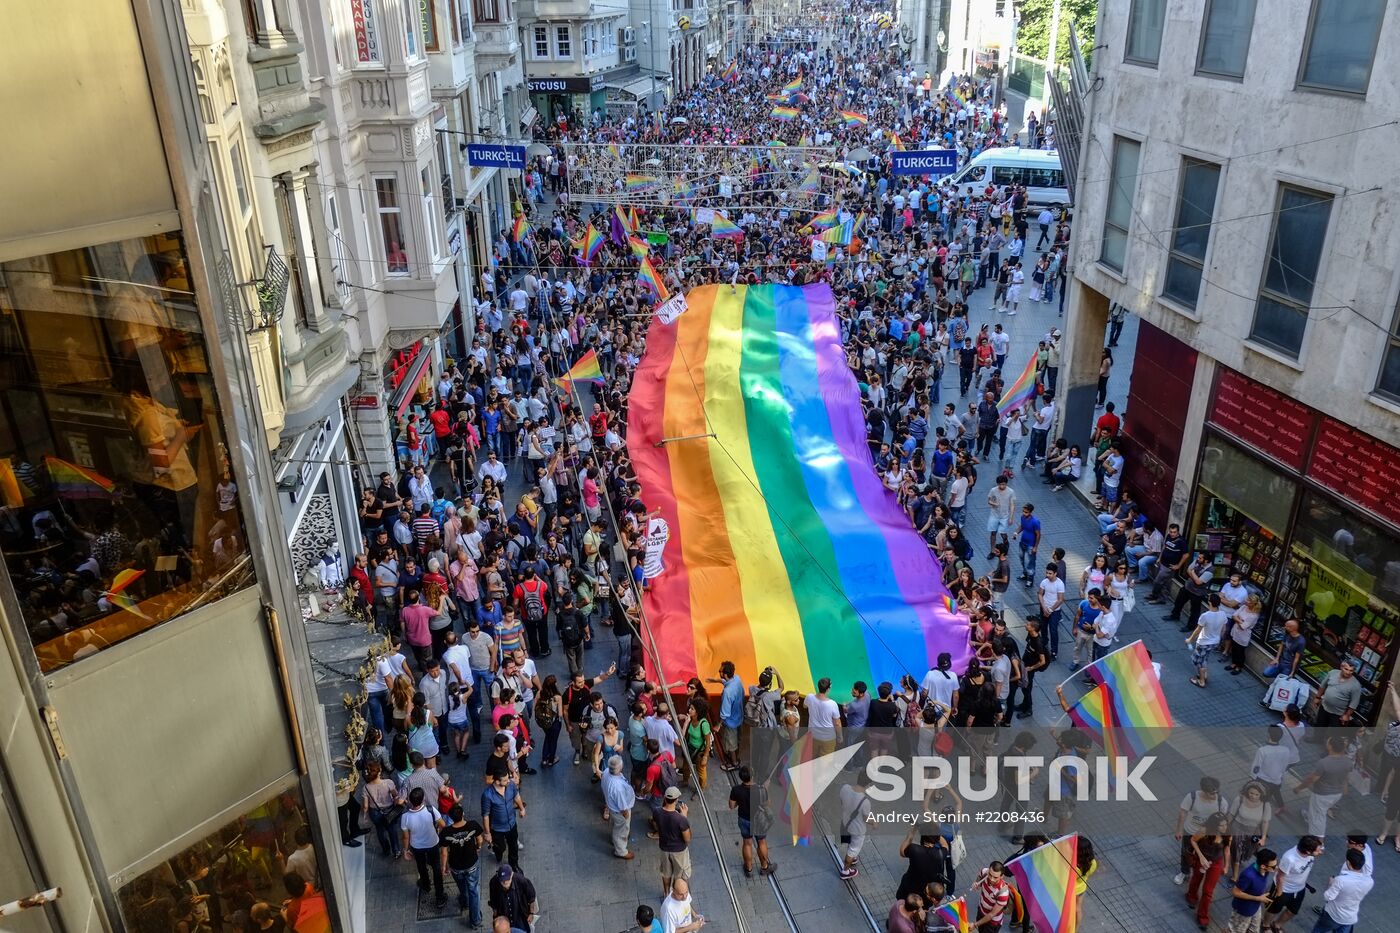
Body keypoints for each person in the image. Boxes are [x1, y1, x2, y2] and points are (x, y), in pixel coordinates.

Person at [1174, 777, 1229, 886]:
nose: (1215, 795)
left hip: (1209, 835)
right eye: (1212, 793)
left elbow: (1223, 819)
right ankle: (1184, 872)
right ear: (1204, 790)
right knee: (1186, 853)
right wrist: (1179, 830)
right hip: (1190, 830)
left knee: (1206, 854)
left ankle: (1200, 872)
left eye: (1217, 792)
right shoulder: (1192, 797)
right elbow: (1182, 813)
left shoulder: (1221, 802)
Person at [1294, 736, 1351, 837]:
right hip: (1337, 793)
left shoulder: (1324, 763)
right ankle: (1310, 815)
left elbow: (1312, 779)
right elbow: (1346, 777)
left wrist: (1299, 788)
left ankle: (1318, 841)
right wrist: (1345, 789)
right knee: (1320, 810)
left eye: (1328, 742)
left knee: (1318, 818)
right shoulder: (1347, 761)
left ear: (1330, 747)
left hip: (1322, 795)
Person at [439, 803, 485, 927]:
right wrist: (478, 847)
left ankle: (464, 902)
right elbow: (480, 839)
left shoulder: (446, 832)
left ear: (451, 817)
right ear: (463, 814)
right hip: (471, 864)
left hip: (456, 866)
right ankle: (475, 920)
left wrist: (443, 867)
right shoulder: (472, 825)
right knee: (473, 891)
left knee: (461, 886)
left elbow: (444, 852)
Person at [400, 787, 446, 906]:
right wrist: (439, 834)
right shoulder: (431, 810)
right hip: (432, 843)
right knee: (436, 868)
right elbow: (442, 824)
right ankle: (440, 896)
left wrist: (405, 850)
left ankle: (425, 885)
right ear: (423, 799)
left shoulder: (405, 816)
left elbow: (405, 837)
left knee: (421, 866)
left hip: (417, 846)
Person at [1265, 835, 1322, 931]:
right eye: (1318, 850)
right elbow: (1280, 876)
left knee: (1292, 911)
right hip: (1284, 889)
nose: (1320, 852)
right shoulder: (1289, 858)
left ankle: (1277, 924)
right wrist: (1280, 894)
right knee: (1273, 910)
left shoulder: (1308, 854)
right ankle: (1265, 925)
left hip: (1299, 888)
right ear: (1308, 851)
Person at [1185, 812, 1232, 930]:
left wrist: (1226, 866)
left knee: (1208, 891)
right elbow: (1193, 840)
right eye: (1221, 825)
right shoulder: (1204, 831)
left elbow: (1227, 850)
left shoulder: (1227, 834)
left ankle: (1202, 917)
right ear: (1214, 826)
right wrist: (1200, 856)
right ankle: (1191, 896)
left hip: (1216, 863)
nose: (1224, 827)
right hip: (1202, 860)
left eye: (1226, 824)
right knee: (1196, 878)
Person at [1311, 848, 1373, 933]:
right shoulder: (1369, 881)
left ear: (1348, 863)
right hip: (1350, 918)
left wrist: (1330, 884)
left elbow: (1328, 897)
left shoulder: (1341, 880)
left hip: (1333, 915)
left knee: (1318, 930)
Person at [729, 764, 775, 877]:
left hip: (744, 819)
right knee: (761, 842)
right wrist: (765, 789)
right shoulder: (761, 789)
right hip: (759, 820)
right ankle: (764, 867)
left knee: (747, 843)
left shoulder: (736, 790)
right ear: (752, 776)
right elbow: (767, 804)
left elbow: (731, 806)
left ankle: (748, 869)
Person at [1227, 847, 1278, 933]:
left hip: (1255, 907)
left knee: (1254, 930)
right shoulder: (1248, 875)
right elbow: (1235, 892)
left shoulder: (1265, 870)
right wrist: (1258, 898)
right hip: (1243, 911)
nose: (1276, 868)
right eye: (1273, 866)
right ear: (1263, 866)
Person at [481, 773, 525, 869]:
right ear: (497, 781)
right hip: (497, 828)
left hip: (511, 824)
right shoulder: (487, 795)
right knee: (500, 847)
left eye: (507, 779)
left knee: (513, 846)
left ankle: (514, 865)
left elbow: (516, 796)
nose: (508, 781)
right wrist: (487, 833)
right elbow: (485, 816)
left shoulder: (511, 786)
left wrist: (522, 808)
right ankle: (498, 851)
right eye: (505, 780)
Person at [1187, 594, 1229, 689]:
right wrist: (1219, 639)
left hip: (1204, 642)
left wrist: (1190, 639)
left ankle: (1201, 681)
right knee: (1205, 658)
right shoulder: (1223, 614)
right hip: (1215, 642)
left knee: (1199, 661)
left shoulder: (1205, 616)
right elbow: (1224, 629)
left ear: (1209, 602)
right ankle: (1204, 675)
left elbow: (1198, 630)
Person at [656, 785, 693, 896]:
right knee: (680, 875)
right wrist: (684, 817)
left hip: (664, 848)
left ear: (664, 798)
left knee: (666, 873)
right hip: (679, 852)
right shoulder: (681, 819)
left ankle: (666, 893)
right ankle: (679, 894)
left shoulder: (657, 812)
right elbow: (688, 838)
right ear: (676, 800)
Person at [602, 754, 638, 860]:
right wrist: (626, 815)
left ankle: (616, 840)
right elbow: (622, 807)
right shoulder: (617, 788)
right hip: (619, 811)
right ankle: (621, 851)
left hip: (611, 806)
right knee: (622, 829)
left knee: (616, 826)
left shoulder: (605, 773)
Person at [838, 773, 872, 879]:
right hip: (857, 830)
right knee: (853, 849)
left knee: (850, 844)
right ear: (868, 785)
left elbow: (842, 802)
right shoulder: (865, 802)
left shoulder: (845, 788)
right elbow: (866, 819)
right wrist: (875, 822)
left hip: (845, 823)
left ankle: (852, 858)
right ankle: (846, 871)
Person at [487, 865, 538, 933]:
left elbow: (531, 896)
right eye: (502, 881)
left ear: (512, 875)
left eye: (507, 879)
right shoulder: (494, 882)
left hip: (520, 914)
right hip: (504, 914)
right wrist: (495, 916)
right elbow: (493, 901)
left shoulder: (521, 880)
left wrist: (531, 913)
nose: (505, 882)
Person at [1313, 660, 1362, 729]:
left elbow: (1354, 703)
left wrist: (1347, 715)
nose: (1348, 672)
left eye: (1351, 671)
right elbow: (1323, 686)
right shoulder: (1333, 673)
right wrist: (1317, 697)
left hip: (1338, 714)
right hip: (1324, 707)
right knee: (1319, 727)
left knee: (1333, 735)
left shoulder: (1356, 685)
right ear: (1341, 667)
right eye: (1346, 669)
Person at [972, 860, 1011, 929]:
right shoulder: (984, 872)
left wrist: (975, 925)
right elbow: (979, 879)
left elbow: (991, 914)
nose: (991, 879)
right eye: (990, 875)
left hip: (992, 923)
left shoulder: (1003, 893)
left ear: (1002, 876)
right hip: (981, 911)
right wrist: (976, 883)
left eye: (995, 877)